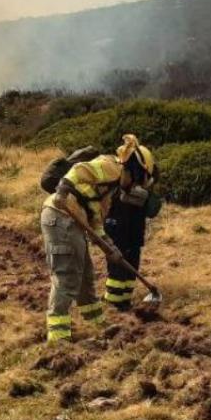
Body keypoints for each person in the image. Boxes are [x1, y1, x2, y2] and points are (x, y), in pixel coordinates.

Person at [41, 134, 157, 342]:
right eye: (138, 180)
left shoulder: (111, 189)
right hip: (61, 216)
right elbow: (78, 170)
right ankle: (58, 338)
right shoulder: (112, 167)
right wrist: (62, 191)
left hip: (74, 220)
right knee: (67, 276)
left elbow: (95, 220)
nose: (133, 187)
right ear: (134, 169)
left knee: (85, 274)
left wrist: (109, 246)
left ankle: (95, 320)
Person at [102, 175, 163, 311]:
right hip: (118, 229)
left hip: (133, 231)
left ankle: (125, 301)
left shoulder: (144, 181)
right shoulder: (117, 180)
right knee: (117, 268)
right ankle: (113, 304)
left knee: (132, 266)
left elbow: (152, 210)